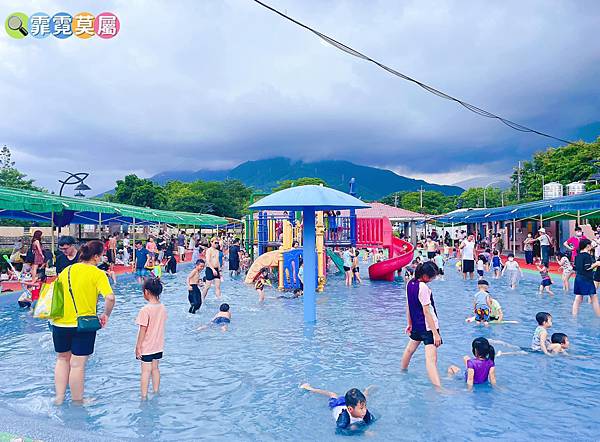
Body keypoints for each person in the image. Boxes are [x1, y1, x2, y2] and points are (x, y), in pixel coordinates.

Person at [50, 240, 115, 405]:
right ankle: (77, 401)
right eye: (100, 256)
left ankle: (58, 398)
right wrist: (106, 314)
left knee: (62, 359)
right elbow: (110, 297)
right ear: (95, 256)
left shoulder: (67, 270)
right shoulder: (97, 273)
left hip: (59, 323)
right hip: (83, 324)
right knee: (77, 364)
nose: (101, 259)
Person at [400, 261, 442, 387]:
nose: (433, 279)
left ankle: (402, 372)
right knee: (431, 360)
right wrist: (435, 333)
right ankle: (438, 388)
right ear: (425, 276)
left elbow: (409, 305)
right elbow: (427, 311)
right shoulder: (423, 287)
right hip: (428, 327)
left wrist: (409, 323)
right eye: (432, 276)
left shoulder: (410, 283)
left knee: (409, 350)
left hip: (417, 325)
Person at [135, 278, 167, 400]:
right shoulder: (163, 307)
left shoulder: (145, 310)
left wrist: (138, 347)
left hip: (147, 346)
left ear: (146, 292)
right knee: (155, 369)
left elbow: (142, 330)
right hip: (158, 345)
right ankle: (156, 391)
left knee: (145, 372)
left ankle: (144, 397)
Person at [299, 384, 374, 435]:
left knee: (362, 399)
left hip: (352, 404)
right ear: (350, 409)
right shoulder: (344, 419)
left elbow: (370, 420)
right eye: (361, 408)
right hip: (337, 404)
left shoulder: (363, 411)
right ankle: (309, 388)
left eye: (365, 407)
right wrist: (363, 432)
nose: (365, 410)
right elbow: (340, 431)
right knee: (333, 395)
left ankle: (365, 392)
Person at [572, 239, 600, 316]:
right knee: (594, 298)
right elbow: (587, 268)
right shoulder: (587, 256)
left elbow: (575, 268)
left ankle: (574, 317)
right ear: (587, 246)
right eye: (590, 245)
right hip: (586, 279)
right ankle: (598, 317)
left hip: (578, 278)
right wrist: (596, 264)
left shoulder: (577, 256)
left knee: (578, 299)